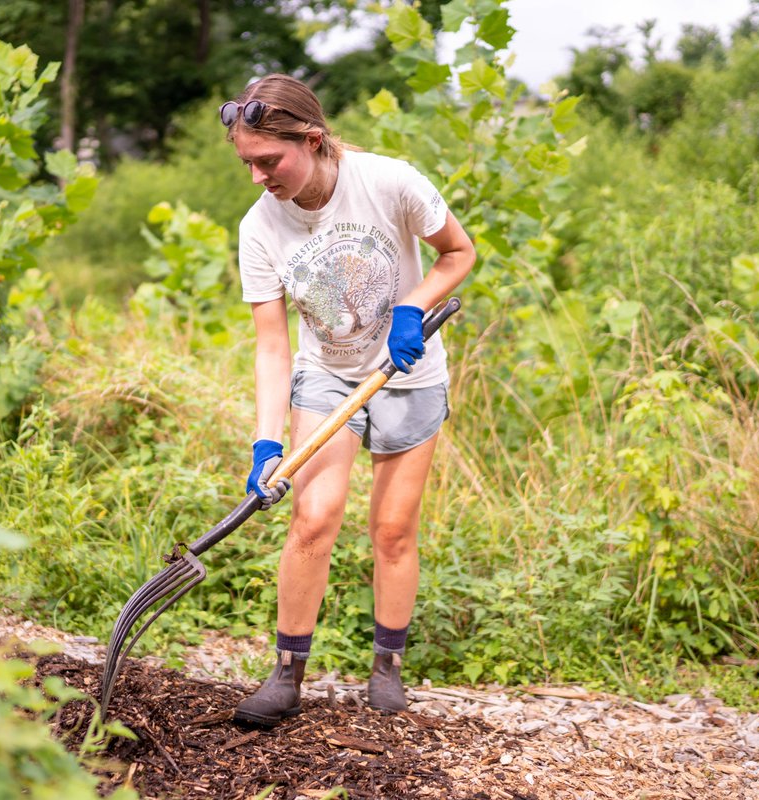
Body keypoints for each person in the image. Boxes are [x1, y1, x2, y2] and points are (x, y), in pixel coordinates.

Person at [221, 74, 476, 728]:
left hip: (408, 373)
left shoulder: (389, 181)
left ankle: (387, 668)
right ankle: (287, 674)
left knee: (393, 528)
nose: (258, 177)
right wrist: (266, 440)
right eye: (248, 164)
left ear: (311, 140)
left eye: (268, 161)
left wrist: (412, 309)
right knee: (313, 517)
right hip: (328, 375)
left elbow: (458, 252)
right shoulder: (259, 227)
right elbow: (273, 346)